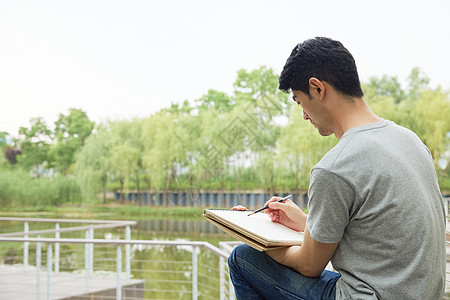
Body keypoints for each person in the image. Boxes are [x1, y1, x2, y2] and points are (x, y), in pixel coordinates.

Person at [227, 37, 446, 300]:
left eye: (299, 102)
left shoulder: (335, 167)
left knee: (242, 258)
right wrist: (305, 223)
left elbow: (309, 265)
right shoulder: (410, 141)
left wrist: (255, 240)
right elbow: (376, 233)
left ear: (317, 89)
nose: (304, 115)